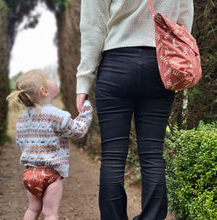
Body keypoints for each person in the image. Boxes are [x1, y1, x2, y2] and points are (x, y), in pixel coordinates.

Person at [76, 0, 194, 219]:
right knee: (152, 155)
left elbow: (93, 26)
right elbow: (184, 16)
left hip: (116, 65)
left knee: (112, 156)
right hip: (159, 67)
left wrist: (83, 81)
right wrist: (178, 66)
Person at [6, 69, 93, 220]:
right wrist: (86, 111)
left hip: (30, 173)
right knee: (50, 213)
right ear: (44, 91)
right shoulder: (57, 115)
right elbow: (77, 131)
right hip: (51, 173)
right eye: (46, 78)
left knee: (33, 209)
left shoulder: (22, 119)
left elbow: (21, 143)